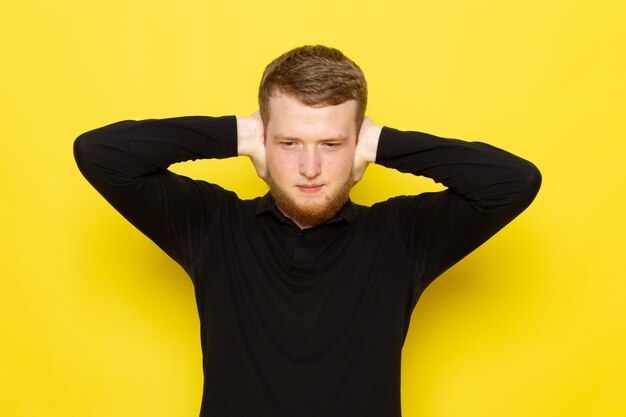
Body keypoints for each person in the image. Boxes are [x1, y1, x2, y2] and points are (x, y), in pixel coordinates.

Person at [74, 45, 541, 417]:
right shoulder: (213, 225)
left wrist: (382, 142)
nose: (311, 168)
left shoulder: (402, 235)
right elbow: (100, 154)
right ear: (262, 141)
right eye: (290, 143)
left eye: (332, 144)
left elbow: (513, 182)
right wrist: (236, 133)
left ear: (358, 145)